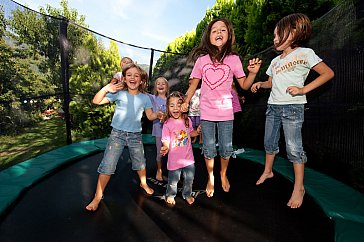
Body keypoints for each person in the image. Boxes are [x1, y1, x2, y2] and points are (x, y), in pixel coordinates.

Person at [251, 13, 334, 208]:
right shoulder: (274, 62)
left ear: (294, 32)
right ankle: (268, 171)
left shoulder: (305, 54)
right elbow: (271, 83)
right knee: (269, 142)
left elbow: (328, 73)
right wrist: (260, 83)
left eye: (278, 34)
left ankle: (299, 188)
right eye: (274, 36)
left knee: (294, 148)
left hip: (292, 108)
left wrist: (303, 89)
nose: (274, 39)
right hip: (273, 106)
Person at [181, 18, 262, 198]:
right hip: (207, 113)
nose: (218, 32)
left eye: (222, 30)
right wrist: (185, 101)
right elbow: (193, 85)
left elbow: (245, 85)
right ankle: (211, 177)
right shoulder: (202, 61)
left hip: (226, 113)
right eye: (214, 30)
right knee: (209, 149)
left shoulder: (233, 59)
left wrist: (253, 73)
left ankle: (222, 174)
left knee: (226, 149)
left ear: (229, 35)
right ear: (209, 37)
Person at [86, 63, 163, 211]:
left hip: (135, 135)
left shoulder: (145, 98)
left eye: (136, 75)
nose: (132, 78)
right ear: (124, 78)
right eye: (129, 75)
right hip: (117, 135)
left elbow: (149, 115)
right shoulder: (119, 93)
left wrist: (158, 115)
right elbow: (96, 101)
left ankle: (143, 183)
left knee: (140, 162)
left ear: (141, 80)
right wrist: (106, 88)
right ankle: (97, 197)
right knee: (108, 165)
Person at [160, 91, 201, 205]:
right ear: (168, 107)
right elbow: (166, 140)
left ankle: (187, 194)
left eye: (179, 105)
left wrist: (197, 132)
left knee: (189, 179)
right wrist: (165, 147)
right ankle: (170, 194)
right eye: (172, 105)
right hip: (174, 160)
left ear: (183, 106)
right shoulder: (167, 123)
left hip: (188, 158)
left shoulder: (187, 120)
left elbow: (190, 133)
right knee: (173, 181)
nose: (175, 108)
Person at [147, 76, 169, 181]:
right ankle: (159, 170)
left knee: (173, 151)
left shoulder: (170, 100)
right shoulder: (152, 98)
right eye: (158, 83)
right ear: (155, 87)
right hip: (159, 131)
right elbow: (141, 92)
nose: (160, 85)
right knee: (159, 152)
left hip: (170, 131)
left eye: (163, 84)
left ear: (167, 87)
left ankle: (174, 169)